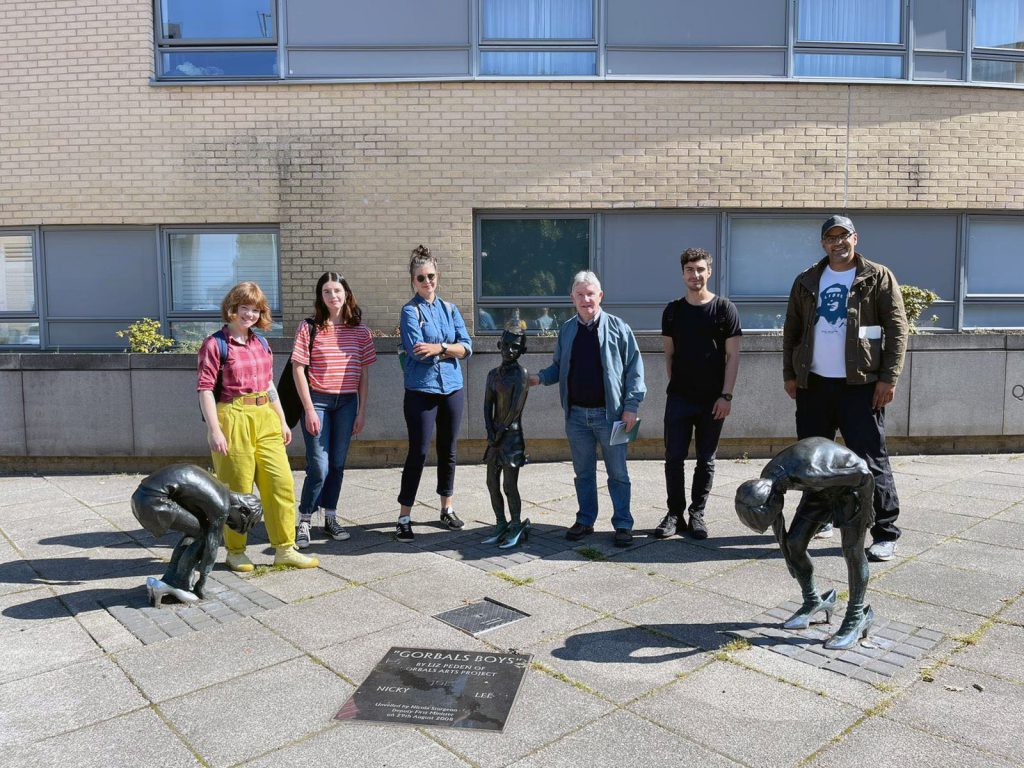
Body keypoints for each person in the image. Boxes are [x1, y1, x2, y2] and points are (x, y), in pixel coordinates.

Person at [783, 214, 908, 561]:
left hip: (861, 386)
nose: (837, 243)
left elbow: (897, 330)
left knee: (871, 459)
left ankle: (885, 531)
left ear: (856, 238)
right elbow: (791, 330)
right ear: (823, 243)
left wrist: (888, 378)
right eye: (830, 238)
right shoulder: (807, 279)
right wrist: (789, 375)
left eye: (843, 236)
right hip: (815, 385)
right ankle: (819, 517)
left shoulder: (877, 277)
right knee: (813, 459)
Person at [197, 282, 318, 572]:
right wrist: (215, 430)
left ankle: (285, 548)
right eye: (244, 308)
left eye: (255, 309)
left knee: (281, 483)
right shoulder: (215, 345)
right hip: (233, 415)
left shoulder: (261, 343)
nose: (249, 314)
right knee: (238, 488)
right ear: (232, 309)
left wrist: (281, 418)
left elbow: (268, 385)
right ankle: (236, 551)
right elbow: (204, 390)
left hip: (264, 415)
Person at [529, 271, 646, 547]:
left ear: (600, 296)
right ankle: (585, 519)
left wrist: (631, 407)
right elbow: (559, 367)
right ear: (572, 298)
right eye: (580, 295)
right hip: (577, 417)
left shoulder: (619, 328)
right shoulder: (568, 329)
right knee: (583, 473)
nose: (585, 299)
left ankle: (623, 524)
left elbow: (635, 370)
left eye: (590, 294)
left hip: (613, 416)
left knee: (618, 473)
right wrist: (539, 378)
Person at [734, 437, 875, 650]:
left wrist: (866, 509)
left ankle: (857, 616)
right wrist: (790, 556)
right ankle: (814, 600)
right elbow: (778, 523)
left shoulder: (810, 474)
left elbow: (864, 475)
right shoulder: (766, 481)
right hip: (820, 491)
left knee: (853, 552)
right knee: (795, 544)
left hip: (851, 490)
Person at [655, 247, 742, 541]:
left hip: (713, 400)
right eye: (690, 270)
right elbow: (669, 355)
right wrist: (678, 386)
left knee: (706, 459)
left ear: (710, 271)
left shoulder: (724, 309)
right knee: (673, 458)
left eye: (700, 269)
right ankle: (674, 514)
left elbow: (733, 357)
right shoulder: (673, 311)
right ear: (683, 274)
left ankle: (697, 514)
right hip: (679, 398)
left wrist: (726, 396)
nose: (695, 275)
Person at [291, 271, 377, 550]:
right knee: (319, 465)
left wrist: (362, 411)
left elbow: (363, 375)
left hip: (347, 404)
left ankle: (330, 516)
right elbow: (298, 370)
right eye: (327, 292)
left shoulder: (361, 331)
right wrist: (309, 409)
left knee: (338, 464)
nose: (333, 296)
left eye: (337, 291)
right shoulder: (309, 327)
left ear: (346, 294)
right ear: (321, 297)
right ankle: (304, 519)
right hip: (317, 402)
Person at [396, 245, 473, 541]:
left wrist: (440, 348)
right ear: (413, 281)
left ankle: (447, 508)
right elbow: (417, 353)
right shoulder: (409, 311)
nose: (427, 282)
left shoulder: (450, 309)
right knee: (418, 451)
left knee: (449, 450)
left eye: (431, 276)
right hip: (421, 390)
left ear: (437, 276)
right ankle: (404, 515)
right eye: (421, 278)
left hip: (452, 388)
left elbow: (467, 347)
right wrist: (449, 349)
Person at [482, 330, 531, 548]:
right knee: (491, 482)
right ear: (499, 344)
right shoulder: (492, 374)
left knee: (509, 485)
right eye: (506, 345)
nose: (509, 350)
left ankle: (516, 523)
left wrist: (499, 432)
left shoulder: (521, 374)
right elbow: (487, 405)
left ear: (522, 350)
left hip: (511, 438)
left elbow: (515, 409)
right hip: (495, 437)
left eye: (515, 347)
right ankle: (500, 522)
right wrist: (489, 430)